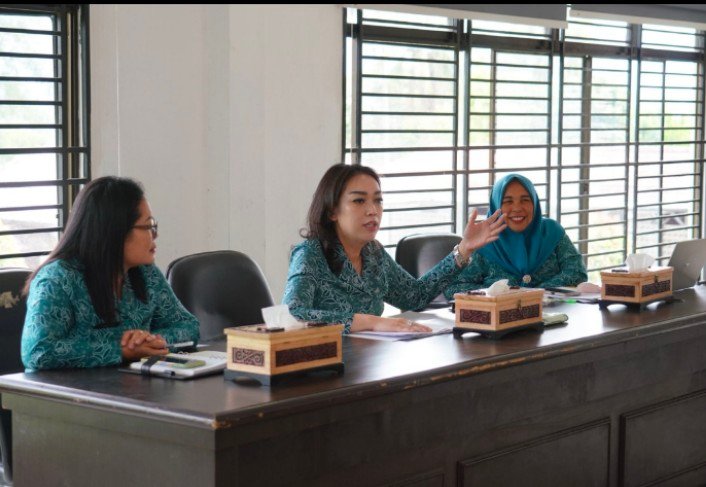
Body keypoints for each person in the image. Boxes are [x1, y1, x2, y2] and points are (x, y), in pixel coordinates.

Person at [283, 164, 506, 334]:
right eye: (359, 201)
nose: (372, 210)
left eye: (378, 200)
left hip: (370, 361)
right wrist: (371, 321)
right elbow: (293, 316)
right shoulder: (310, 254)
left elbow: (415, 296)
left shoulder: (373, 253)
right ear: (332, 211)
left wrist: (464, 249)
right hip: (326, 365)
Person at [21, 176, 199, 371]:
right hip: (70, 389)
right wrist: (121, 350)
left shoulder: (146, 273)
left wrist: (151, 341)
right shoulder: (57, 279)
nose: (155, 235)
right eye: (147, 226)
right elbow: (38, 352)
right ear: (115, 231)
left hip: (130, 385)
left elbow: (189, 326)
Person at [445, 173, 587, 298]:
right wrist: (503, 294)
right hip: (500, 317)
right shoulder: (483, 241)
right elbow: (453, 288)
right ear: (496, 205)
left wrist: (535, 294)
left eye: (525, 200)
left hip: (556, 314)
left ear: (535, 203)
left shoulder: (551, 231)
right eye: (508, 201)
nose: (517, 208)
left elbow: (577, 273)